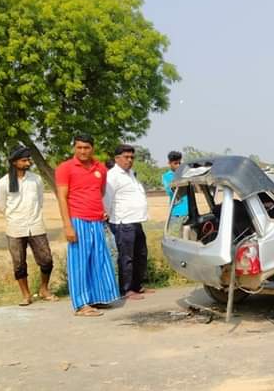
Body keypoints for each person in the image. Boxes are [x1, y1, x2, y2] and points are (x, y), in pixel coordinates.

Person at [55, 134, 120, 317]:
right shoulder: (65, 168)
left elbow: (99, 192)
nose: (83, 151)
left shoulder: (100, 168)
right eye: (79, 147)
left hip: (96, 220)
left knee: (99, 259)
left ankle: (98, 297)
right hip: (77, 220)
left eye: (86, 147)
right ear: (74, 148)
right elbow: (62, 197)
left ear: (93, 148)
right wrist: (67, 225)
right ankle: (81, 304)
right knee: (80, 262)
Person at [0, 146, 57, 306]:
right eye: (24, 160)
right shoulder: (2, 183)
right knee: (19, 263)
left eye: (28, 159)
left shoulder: (35, 179)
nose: (28, 162)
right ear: (15, 162)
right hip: (15, 228)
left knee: (46, 260)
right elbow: (2, 207)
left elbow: (40, 201)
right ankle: (26, 295)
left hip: (36, 226)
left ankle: (44, 289)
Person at [103, 144, 153, 300]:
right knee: (127, 257)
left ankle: (137, 286)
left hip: (136, 220)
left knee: (141, 254)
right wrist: (109, 219)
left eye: (132, 157)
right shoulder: (112, 176)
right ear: (117, 158)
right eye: (126, 157)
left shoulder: (131, 173)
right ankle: (126, 290)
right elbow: (107, 200)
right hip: (123, 222)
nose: (129, 160)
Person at [162, 151, 187, 216]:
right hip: (176, 211)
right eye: (175, 163)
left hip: (188, 210)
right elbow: (170, 191)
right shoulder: (166, 176)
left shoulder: (185, 173)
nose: (178, 165)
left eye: (179, 163)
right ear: (169, 163)